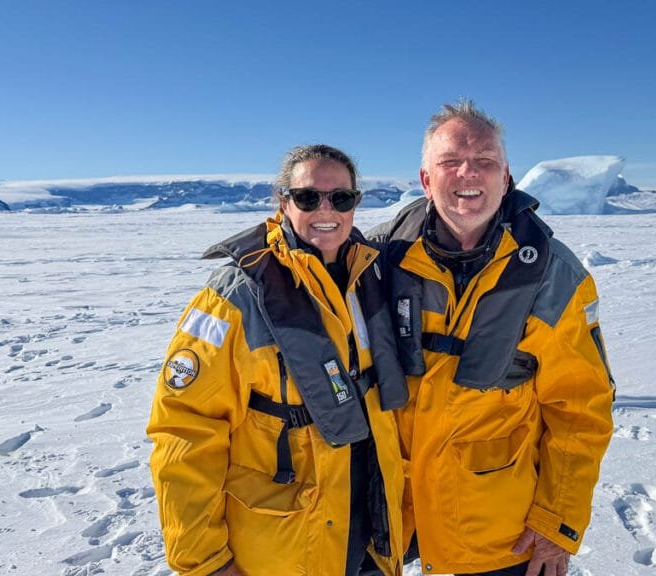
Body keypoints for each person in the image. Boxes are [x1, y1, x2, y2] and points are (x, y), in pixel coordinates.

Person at [369, 101, 615, 576]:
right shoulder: (377, 256)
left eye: (485, 161)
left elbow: (581, 408)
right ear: (425, 179)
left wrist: (557, 520)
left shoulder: (554, 276)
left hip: (496, 524)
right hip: (384, 513)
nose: (468, 174)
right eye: (451, 162)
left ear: (506, 179)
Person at [147, 144, 409, 576]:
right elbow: (185, 430)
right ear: (284, 202)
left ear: (356, 204)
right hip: (285, 546)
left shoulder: (371, 277)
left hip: (371, 536)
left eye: (341, 197)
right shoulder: (236, 296)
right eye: (308, 197)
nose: (326, 209)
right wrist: (205, 561)